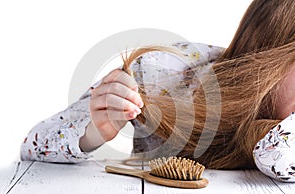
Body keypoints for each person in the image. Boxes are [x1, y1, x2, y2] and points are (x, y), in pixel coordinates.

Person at [21, 0, 295, 182]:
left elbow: (278, 158)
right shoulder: (164, 71)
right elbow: (33, 146)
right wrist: (94, 131)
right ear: (269, 56)